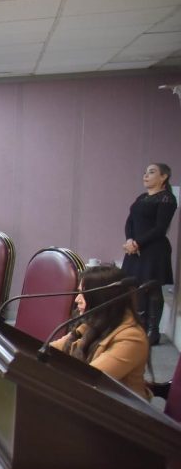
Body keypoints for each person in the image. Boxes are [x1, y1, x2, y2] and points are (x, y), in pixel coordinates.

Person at [50, 265, 149, 399]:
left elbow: (90, 380)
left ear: (101, 298)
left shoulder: (131, 338)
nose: (77, 299)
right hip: (90, 401)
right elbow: (52, 349)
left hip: (116, 409)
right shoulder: (95, 323)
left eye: (84, 294)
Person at [121, 163, 177, 345]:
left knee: (151, 287)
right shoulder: (142, 197)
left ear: (163, 177)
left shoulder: (167, 198)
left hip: (154, 250)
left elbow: (160, 228)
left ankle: (153, 331)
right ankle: (139, 326)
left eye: (151, 172)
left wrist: (137, 243)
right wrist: (130, 240)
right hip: (134, 249)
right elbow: (130, 222)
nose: (145, 175)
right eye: (145, 172)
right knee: (134, 286)